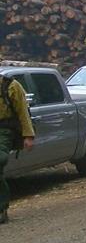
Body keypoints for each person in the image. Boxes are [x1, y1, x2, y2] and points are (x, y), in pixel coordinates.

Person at [0, 74, 36, 224]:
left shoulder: (11, 86)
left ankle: (2, 207)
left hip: (4, 131)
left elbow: (23, 112)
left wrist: (28, 136)